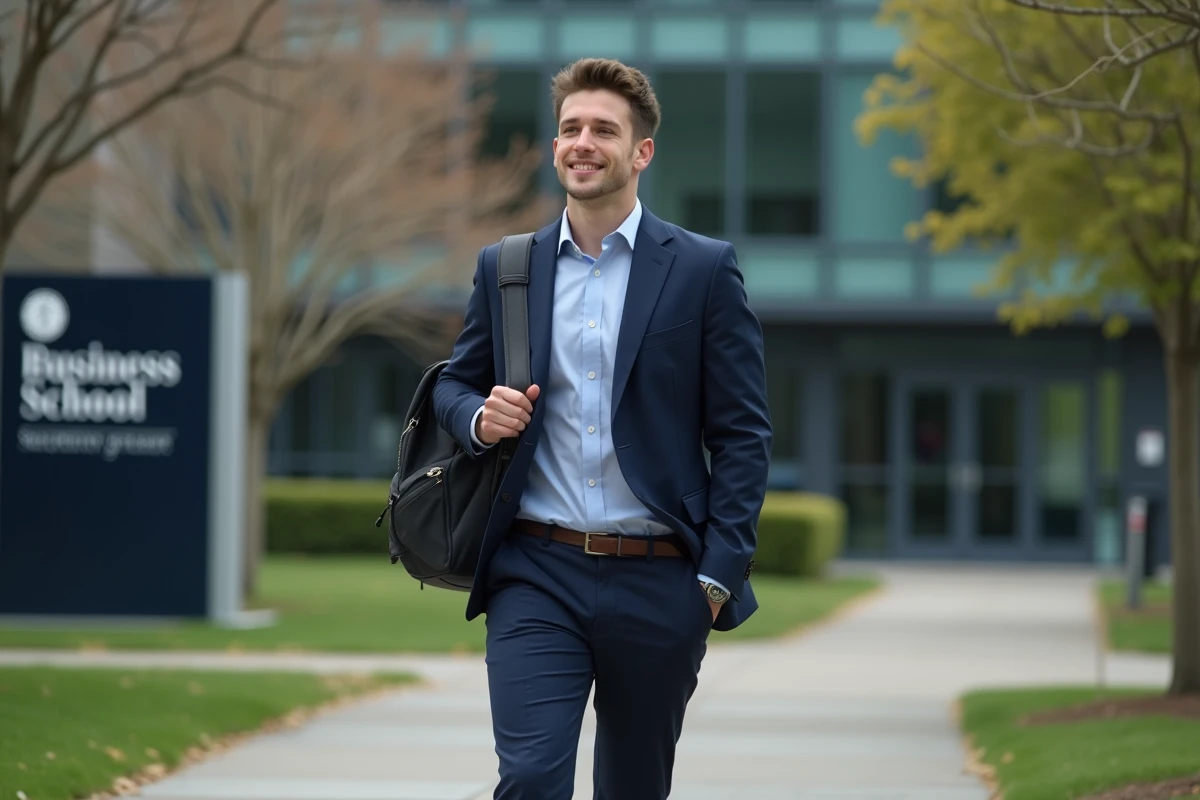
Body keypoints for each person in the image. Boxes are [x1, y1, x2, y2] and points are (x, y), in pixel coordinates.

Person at [432, 57, 772, 800]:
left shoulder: (704, 271)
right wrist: (478, 419)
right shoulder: (508, 267)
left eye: (603, 130)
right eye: (569, 129)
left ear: (641, 151)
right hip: (534, 570)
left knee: (633, 788)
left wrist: (716, 576)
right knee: (528, 780)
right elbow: (453, 384)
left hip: (662, 580)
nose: (582, 142)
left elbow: (743, 435)